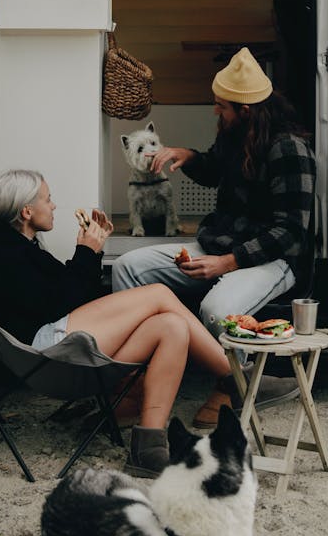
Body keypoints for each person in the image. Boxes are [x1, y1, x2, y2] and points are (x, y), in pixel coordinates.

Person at [0, 168, 242, 479]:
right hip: (48, 350)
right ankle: (236, 378)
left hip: (62, 338)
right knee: (160, 294)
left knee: (171, 325)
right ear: (27, 211)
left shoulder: (18, 246)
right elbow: (58, 304)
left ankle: (147, 447)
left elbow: (72, 295)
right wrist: (86, 252)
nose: (54, 206)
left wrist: (91, 254)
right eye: (48, 199)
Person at [112, 46, 315, 425]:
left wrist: (228, 263)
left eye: (221, 106)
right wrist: (187, 155)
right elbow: (212, 170)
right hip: (218, 246)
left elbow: (290, 232)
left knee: (216, 310)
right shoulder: (235, 133)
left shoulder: (290, 150)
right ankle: (134, 379)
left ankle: (232, 387)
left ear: (247, 109)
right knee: (128, 267)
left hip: (272, 259)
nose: (215, 111)